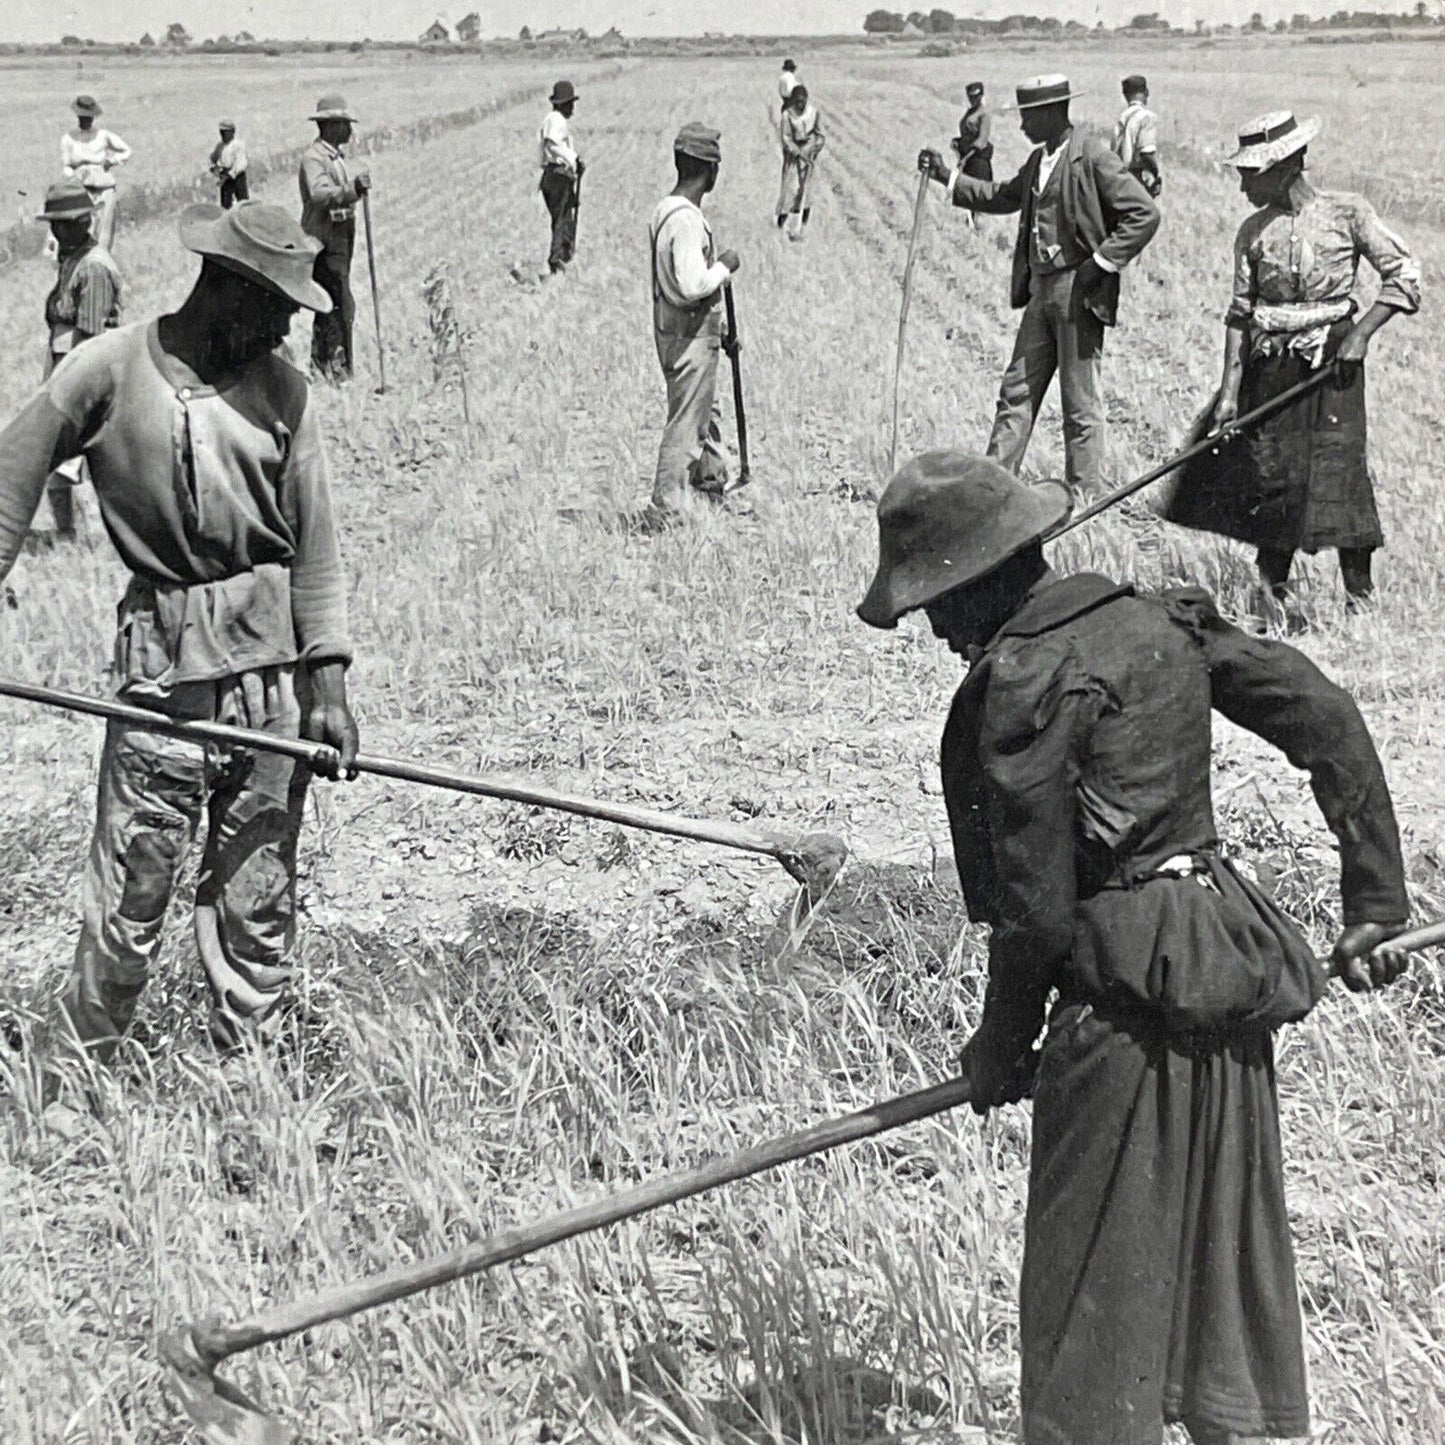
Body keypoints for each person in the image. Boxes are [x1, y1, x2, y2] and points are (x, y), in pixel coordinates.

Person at [857, 448, 1412, 1445]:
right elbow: (1324, 715)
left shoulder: (1017, 687)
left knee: (1085, 1348)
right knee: (1212, 1323)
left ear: (984, 578)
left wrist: (998, 1042)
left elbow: (1031, 914)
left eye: (934, 601)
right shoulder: (1159, 618)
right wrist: (1372, 895)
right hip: (1218, 982)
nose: (933, 629)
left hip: (1115, 1022)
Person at [0, 201, 357, 1067]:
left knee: (257, 900)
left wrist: (330, 688)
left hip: (269, 685)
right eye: (276, 307)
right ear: (227, 290)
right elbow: (11, 482)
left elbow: (314, 547)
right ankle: (81, 1083)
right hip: (162, 682)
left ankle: (246, 1086)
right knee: (130, 891)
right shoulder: (107, 371)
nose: (285, 327)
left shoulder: (284, 393)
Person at [1159, 112, 1419, 622]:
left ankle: (1359, 603)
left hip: (1333, 365)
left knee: (1337, 471)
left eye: (1249, 174)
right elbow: (1239, 314)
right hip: (1270, 366)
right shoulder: (1252, 233)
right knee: (1272, 475)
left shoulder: (1349, 213)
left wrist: (1360, 336)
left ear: (1285, 166)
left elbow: (1404, 275)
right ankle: (1271, 598)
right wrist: (1229, 391)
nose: (1241, 186)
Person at [918, 75, 1159, 499]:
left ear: (1051, 113)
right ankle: (991, 494)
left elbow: (1144, 214)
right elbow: (1002, 195)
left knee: (1078, 403)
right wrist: (947, 178)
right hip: (1041, 292)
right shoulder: (1036, 161)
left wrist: (1099, 264)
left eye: (1028, 116)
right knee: (1016, 393)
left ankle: (1084, 499)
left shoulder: (1093, 155)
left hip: (1077, 293)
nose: (1022, 125)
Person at [641, 123, 741, 532]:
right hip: (688, 333)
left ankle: (709, 486)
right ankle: (665, 508)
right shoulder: (685, 221)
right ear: (708, 170)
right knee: (687, 422)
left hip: (679, 330)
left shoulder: (666, 209)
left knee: (704, 413)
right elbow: (690, 286)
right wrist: (724, 267)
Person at [34, 180, 122, 538]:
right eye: (54, 223)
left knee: (77, 457)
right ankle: (68, 533)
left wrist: (74, 389)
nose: (56, 230)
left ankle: (85, 536)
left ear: (84, 222)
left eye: (63, 222)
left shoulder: (93, 267)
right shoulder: (71, 260)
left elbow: (92, 340)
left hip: (80, 369)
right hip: (62, 364)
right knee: (57, 456)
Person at [299, 93, 371, 380]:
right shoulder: (313, 158)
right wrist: (352, 189)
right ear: (330, 127)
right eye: (345, 124)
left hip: (339, 237)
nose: (350, 130)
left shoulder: (333, 157)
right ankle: (336, 369)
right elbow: (318, 194)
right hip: (325, 241)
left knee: (337, 302)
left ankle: (324, 364)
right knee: (336, 303)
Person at [61, 94, 131, 252]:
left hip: (103, 186)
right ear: (78, 117)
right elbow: (66, 166)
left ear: (93, 118)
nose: (85, 121)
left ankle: (102, 258)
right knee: (80, 227)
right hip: (81, 187)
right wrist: (72, 176)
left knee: (103, 229)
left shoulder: (103, 135)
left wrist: (112, 161)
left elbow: (126, 151)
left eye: (89, 118)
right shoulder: (69, 138)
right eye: (83, 117)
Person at [539, 80, 584, 276]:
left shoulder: (551, 119)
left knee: (564, 217)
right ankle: (556, 260)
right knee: (561, 219)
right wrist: (574, 158)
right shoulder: (556, 119)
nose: (573, 108)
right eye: (571, 103)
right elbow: (551, 144)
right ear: (563, 104)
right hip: (558, 175)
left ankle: (564, 256)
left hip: (553, 173)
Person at [777, 84, 825, 231]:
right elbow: (786, 138)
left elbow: (820, 135)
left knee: (807, 192)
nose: (801, 104)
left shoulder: (814, 113)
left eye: (803, 101)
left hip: (809, 156)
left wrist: (816, 148)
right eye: (797, 101)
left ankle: (803, 226)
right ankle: (781, 225)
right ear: (793, 101)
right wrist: (798, 153)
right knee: (789, 191)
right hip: (793, 158)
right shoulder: (787, 115)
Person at [1113, 75, 1162, 198]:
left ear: (1125, 94)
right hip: (1133, 179)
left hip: (1116, 179)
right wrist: (1156, 173)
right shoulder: (1147, 117)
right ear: (1146, 92)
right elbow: (1146, 153)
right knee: (1150, 215)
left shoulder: (1122, 117)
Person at [952, 81, 993, 183]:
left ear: (981, 96)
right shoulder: (969, 112)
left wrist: (965, 159)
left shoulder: (984, 113)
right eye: (971, 97)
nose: (973, 99)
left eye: (976, 96)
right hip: (965, 161)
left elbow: (981, 141)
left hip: (977, 161)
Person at [209, 120, 250, 208]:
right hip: (224, 177)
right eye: (221, 132)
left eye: (225, 132)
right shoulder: (220, 146)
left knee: (242, 203)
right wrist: (214, 167)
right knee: (226, 205)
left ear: (232, 132)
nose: (223, 135)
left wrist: (229, 175)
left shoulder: (238, 145)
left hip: (237, 177)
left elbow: (240, 164)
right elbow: (213, 158)